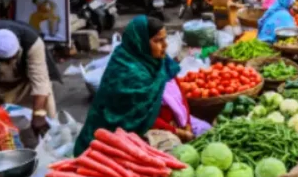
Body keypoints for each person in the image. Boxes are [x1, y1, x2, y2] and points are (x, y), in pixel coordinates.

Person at [74, 16, 204, 155]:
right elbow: (139, 117)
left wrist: (187, 123)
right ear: (140, 43)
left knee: (204, 129)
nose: (165, 45)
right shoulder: (125, 72)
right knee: (169, 154)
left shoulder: (160, 61)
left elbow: (179, 93)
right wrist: (177, 132)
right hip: (129, 134)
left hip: (172, 126)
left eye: (164, 39)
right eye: (158, 41)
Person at [0, 20, 61, 136]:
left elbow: (40, 80)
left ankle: (51, 140)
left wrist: (39, 113)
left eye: (12, 58)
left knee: (44, 116)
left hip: (24, 84)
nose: (8, 64)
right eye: (3, 61)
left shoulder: (32, 42)